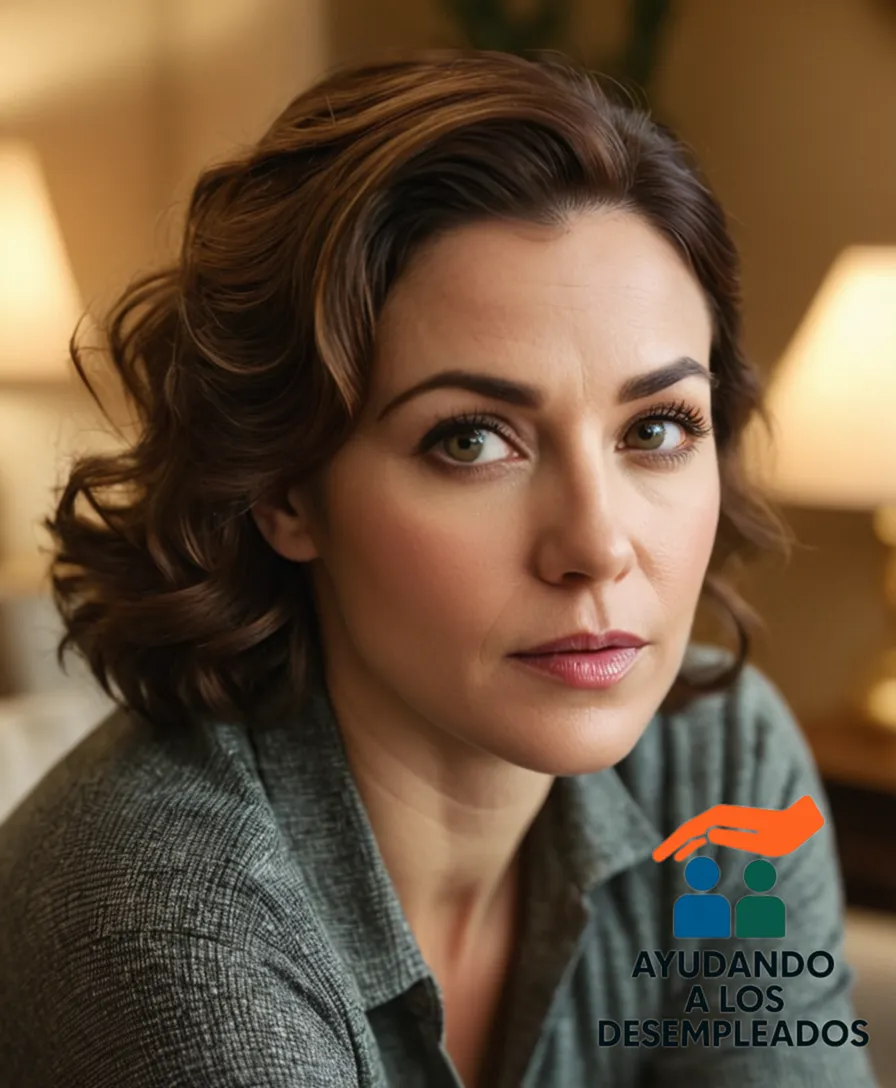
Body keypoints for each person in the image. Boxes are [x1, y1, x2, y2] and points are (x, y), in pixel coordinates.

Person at [0, 48, 877, 1088]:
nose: (597, 545)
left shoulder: (716, 762)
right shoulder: (165, 928)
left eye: (654, 428)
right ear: (284, 489)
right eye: (471, 440)